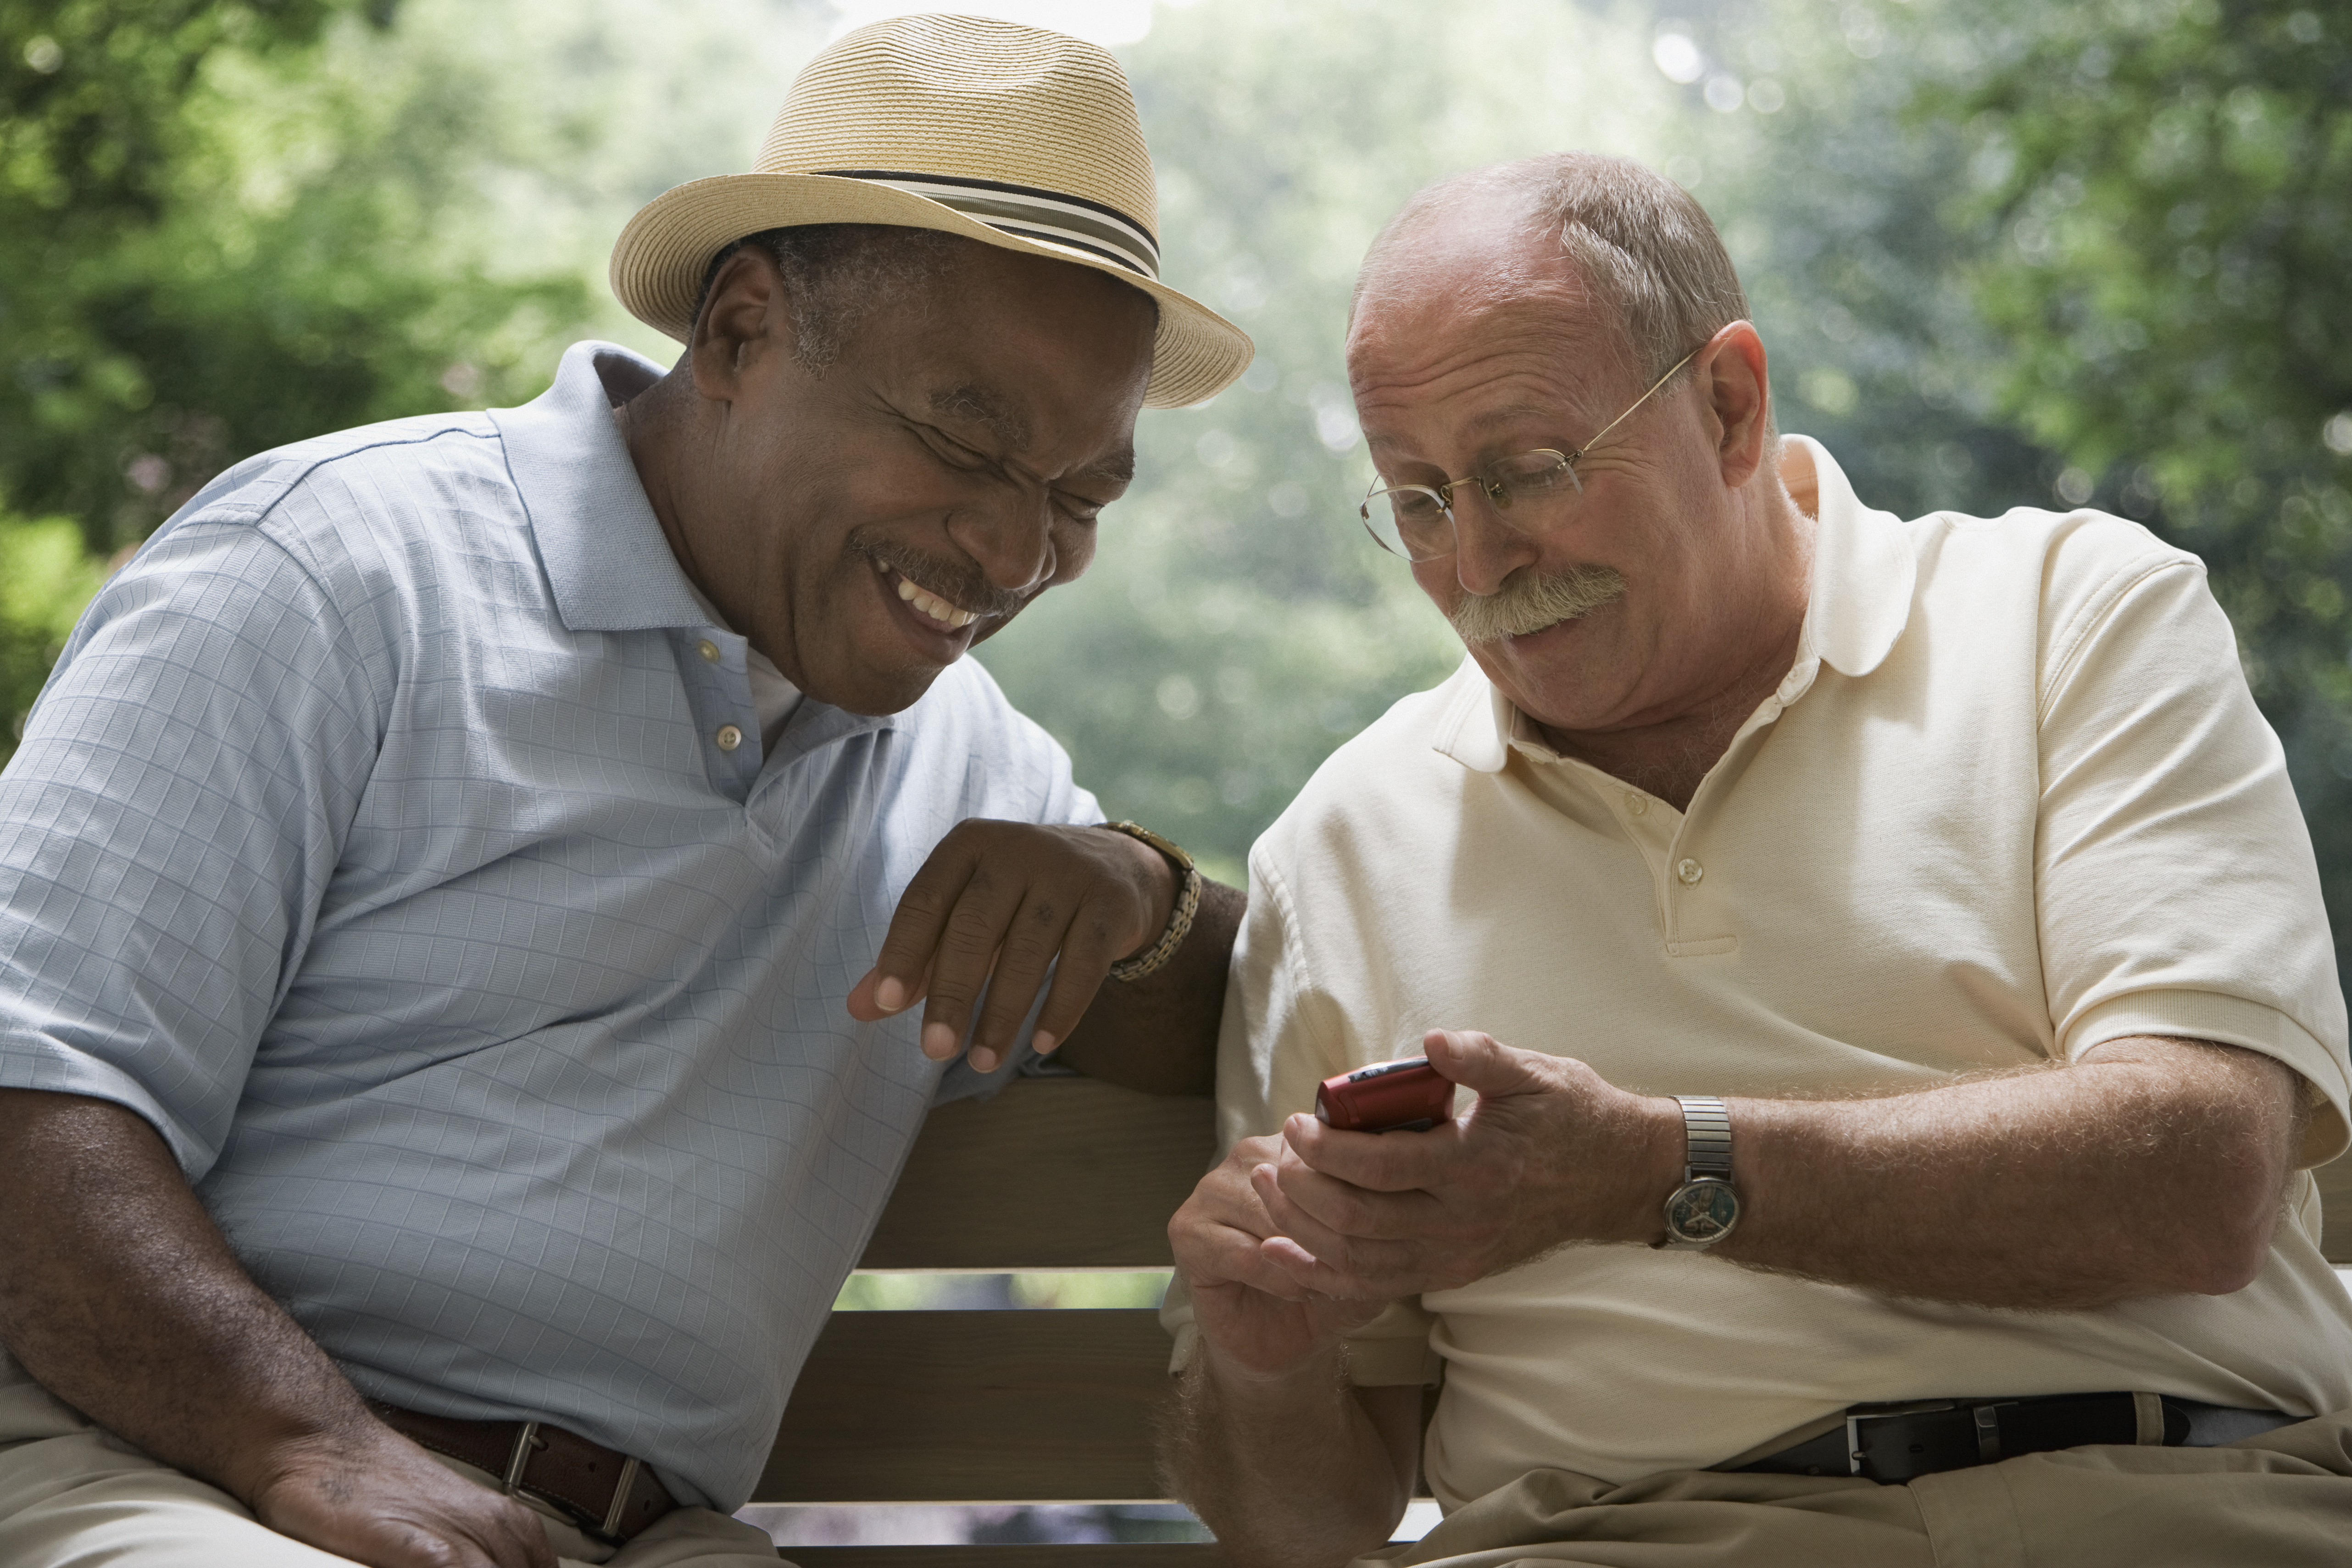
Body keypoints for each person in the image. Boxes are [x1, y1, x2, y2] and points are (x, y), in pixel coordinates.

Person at [0, 17, 1251, 1568]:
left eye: (1078, 498)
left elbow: (1246, 1004)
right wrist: (304, 1442)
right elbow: (30, 1096)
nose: (1011, 556)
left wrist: (1135, 889)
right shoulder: (330, 569)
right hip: (179, 1471)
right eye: (964, 441)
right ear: (739, 335)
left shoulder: (968, 760)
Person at [1161, 151, 2352, 1568]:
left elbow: (2201, 1175)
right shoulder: (1342, 843)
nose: (1475, 562)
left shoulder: (2071, 620)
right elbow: (1311, 1525)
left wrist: (1653, 1169)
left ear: (1727, 404)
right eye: (1416, 501)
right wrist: (1264, 1360)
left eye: (1525, 470)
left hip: (2180, 1510)